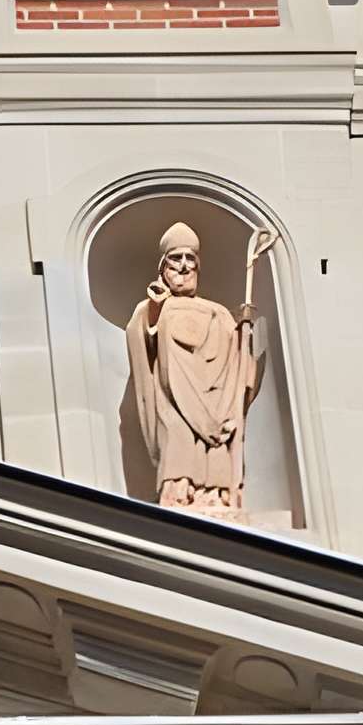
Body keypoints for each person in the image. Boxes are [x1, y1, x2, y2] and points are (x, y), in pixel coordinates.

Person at [126, 220, 275, 515]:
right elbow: (142, 339)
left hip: (215, 402)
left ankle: (216, 497)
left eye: (189, 258)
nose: (183, 266)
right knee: (178, 442)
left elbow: (235, 364)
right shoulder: (154, 306)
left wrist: (242, 333)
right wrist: (155, 307)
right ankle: (178, 495)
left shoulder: (218, 312)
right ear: (163, 267)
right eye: (175, 259)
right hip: (173, 399)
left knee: (217, 450)